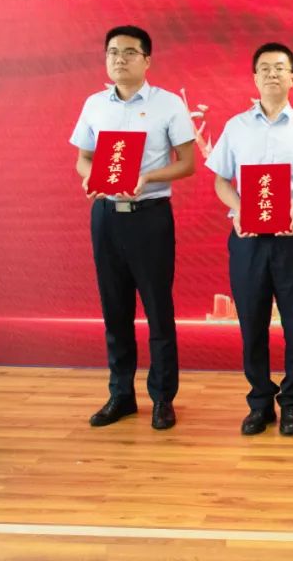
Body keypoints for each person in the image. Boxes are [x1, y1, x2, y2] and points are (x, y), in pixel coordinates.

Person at [206, 42, 293, 436]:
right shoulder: (236, 126)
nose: (272, 74)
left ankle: (292, 402)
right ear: (254, 78)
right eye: (264, 68)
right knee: (251, 320)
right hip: (247, 237)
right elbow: (221, 180)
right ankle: (260, 402)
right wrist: (237, 209)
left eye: (280, 68)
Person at [71, 25, 195, 430]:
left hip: (149, 216)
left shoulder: (168, 104)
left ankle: (162, 398)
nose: (119, 59)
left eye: (128, 52)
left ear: (147, 60)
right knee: (115, 308)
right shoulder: (94, 104)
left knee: (158, 309)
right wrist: (91, 178)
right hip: (106, 216)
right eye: (112, 52)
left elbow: (187, 163)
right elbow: (83, 158)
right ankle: (121, 394)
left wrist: (148, 177)